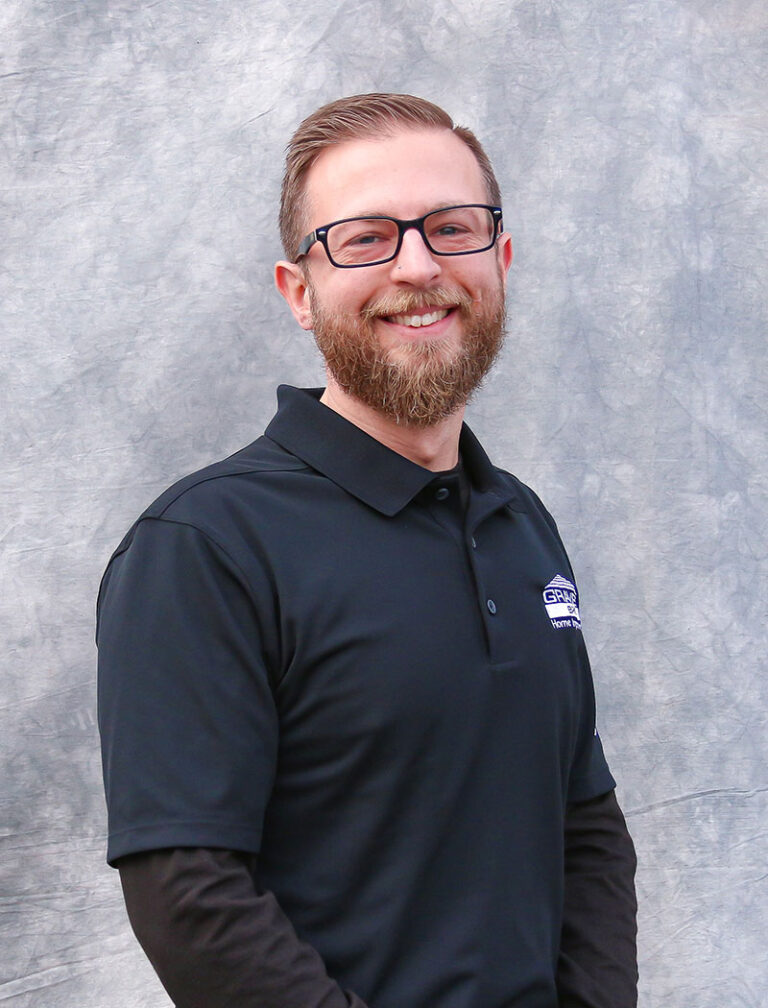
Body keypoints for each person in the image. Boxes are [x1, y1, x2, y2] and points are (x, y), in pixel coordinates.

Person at [97, 93, 638, 1008]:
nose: (418, 266)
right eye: (365, 238)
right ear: (299, 293)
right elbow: (190, 895)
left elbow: (583, 824)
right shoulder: (205, 547)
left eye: (451, 229)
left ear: (499, 262)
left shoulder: (521, 524)